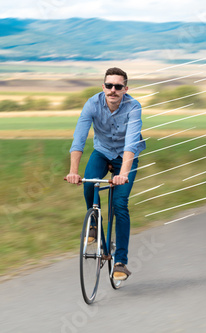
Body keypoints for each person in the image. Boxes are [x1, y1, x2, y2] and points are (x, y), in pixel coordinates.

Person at [65, 67, 146, 281]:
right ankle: (94, 225)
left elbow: (131, 142)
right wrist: (73, 171)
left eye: (118, 87)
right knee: (89, 184)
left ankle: (120, 261)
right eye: (109, 86)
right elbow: (79, 139)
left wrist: (124, 174)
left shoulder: (133, 107)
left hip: (125, 157)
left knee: (119, 204)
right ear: (103, 87)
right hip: (102, 152)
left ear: (125, 89)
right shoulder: (92, 104)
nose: (113, 90)